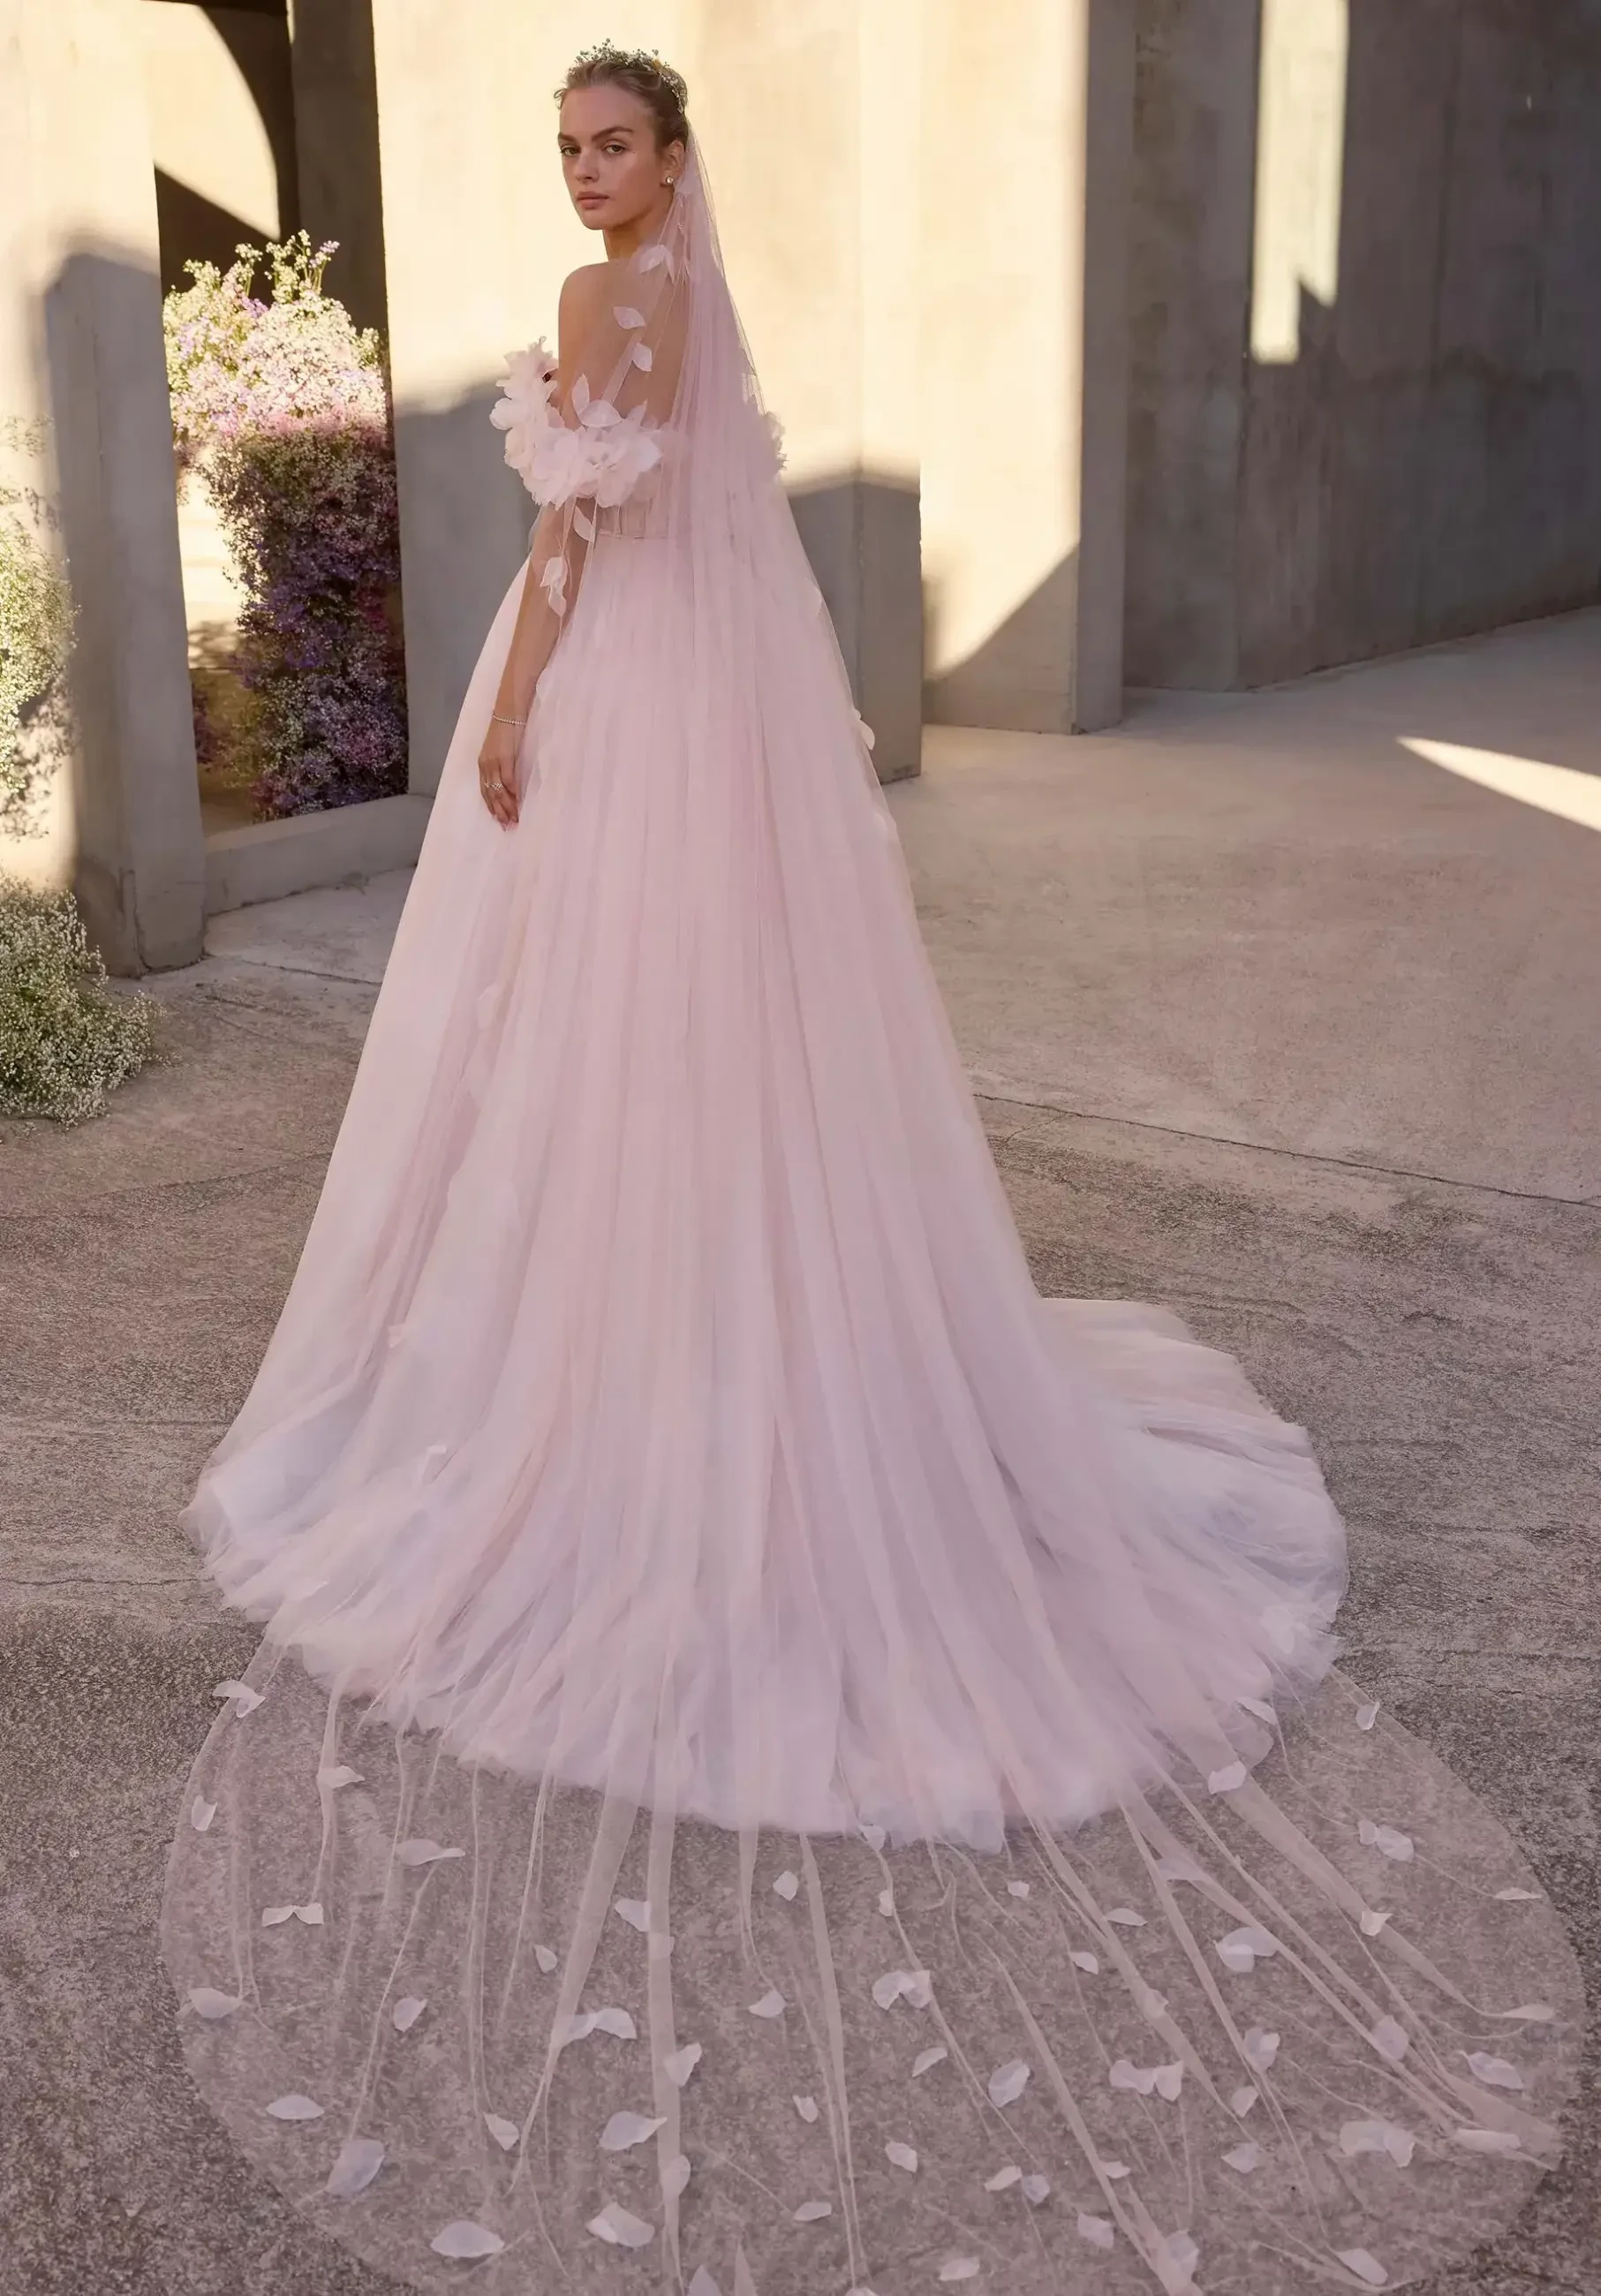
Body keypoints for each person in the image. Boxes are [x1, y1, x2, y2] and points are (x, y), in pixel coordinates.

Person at [163, 45, 1576, 2296]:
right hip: (700, 710)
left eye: (614, 146)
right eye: (571, 154)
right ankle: (708, 1343)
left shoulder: (611, 298)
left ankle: (629, 1389)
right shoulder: (694, 304)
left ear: (675, 158)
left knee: (594, 1052)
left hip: (622, 700)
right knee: (696, 1053)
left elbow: (572, 530)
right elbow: (686, 500)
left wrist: (512, 703)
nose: (589, 178)